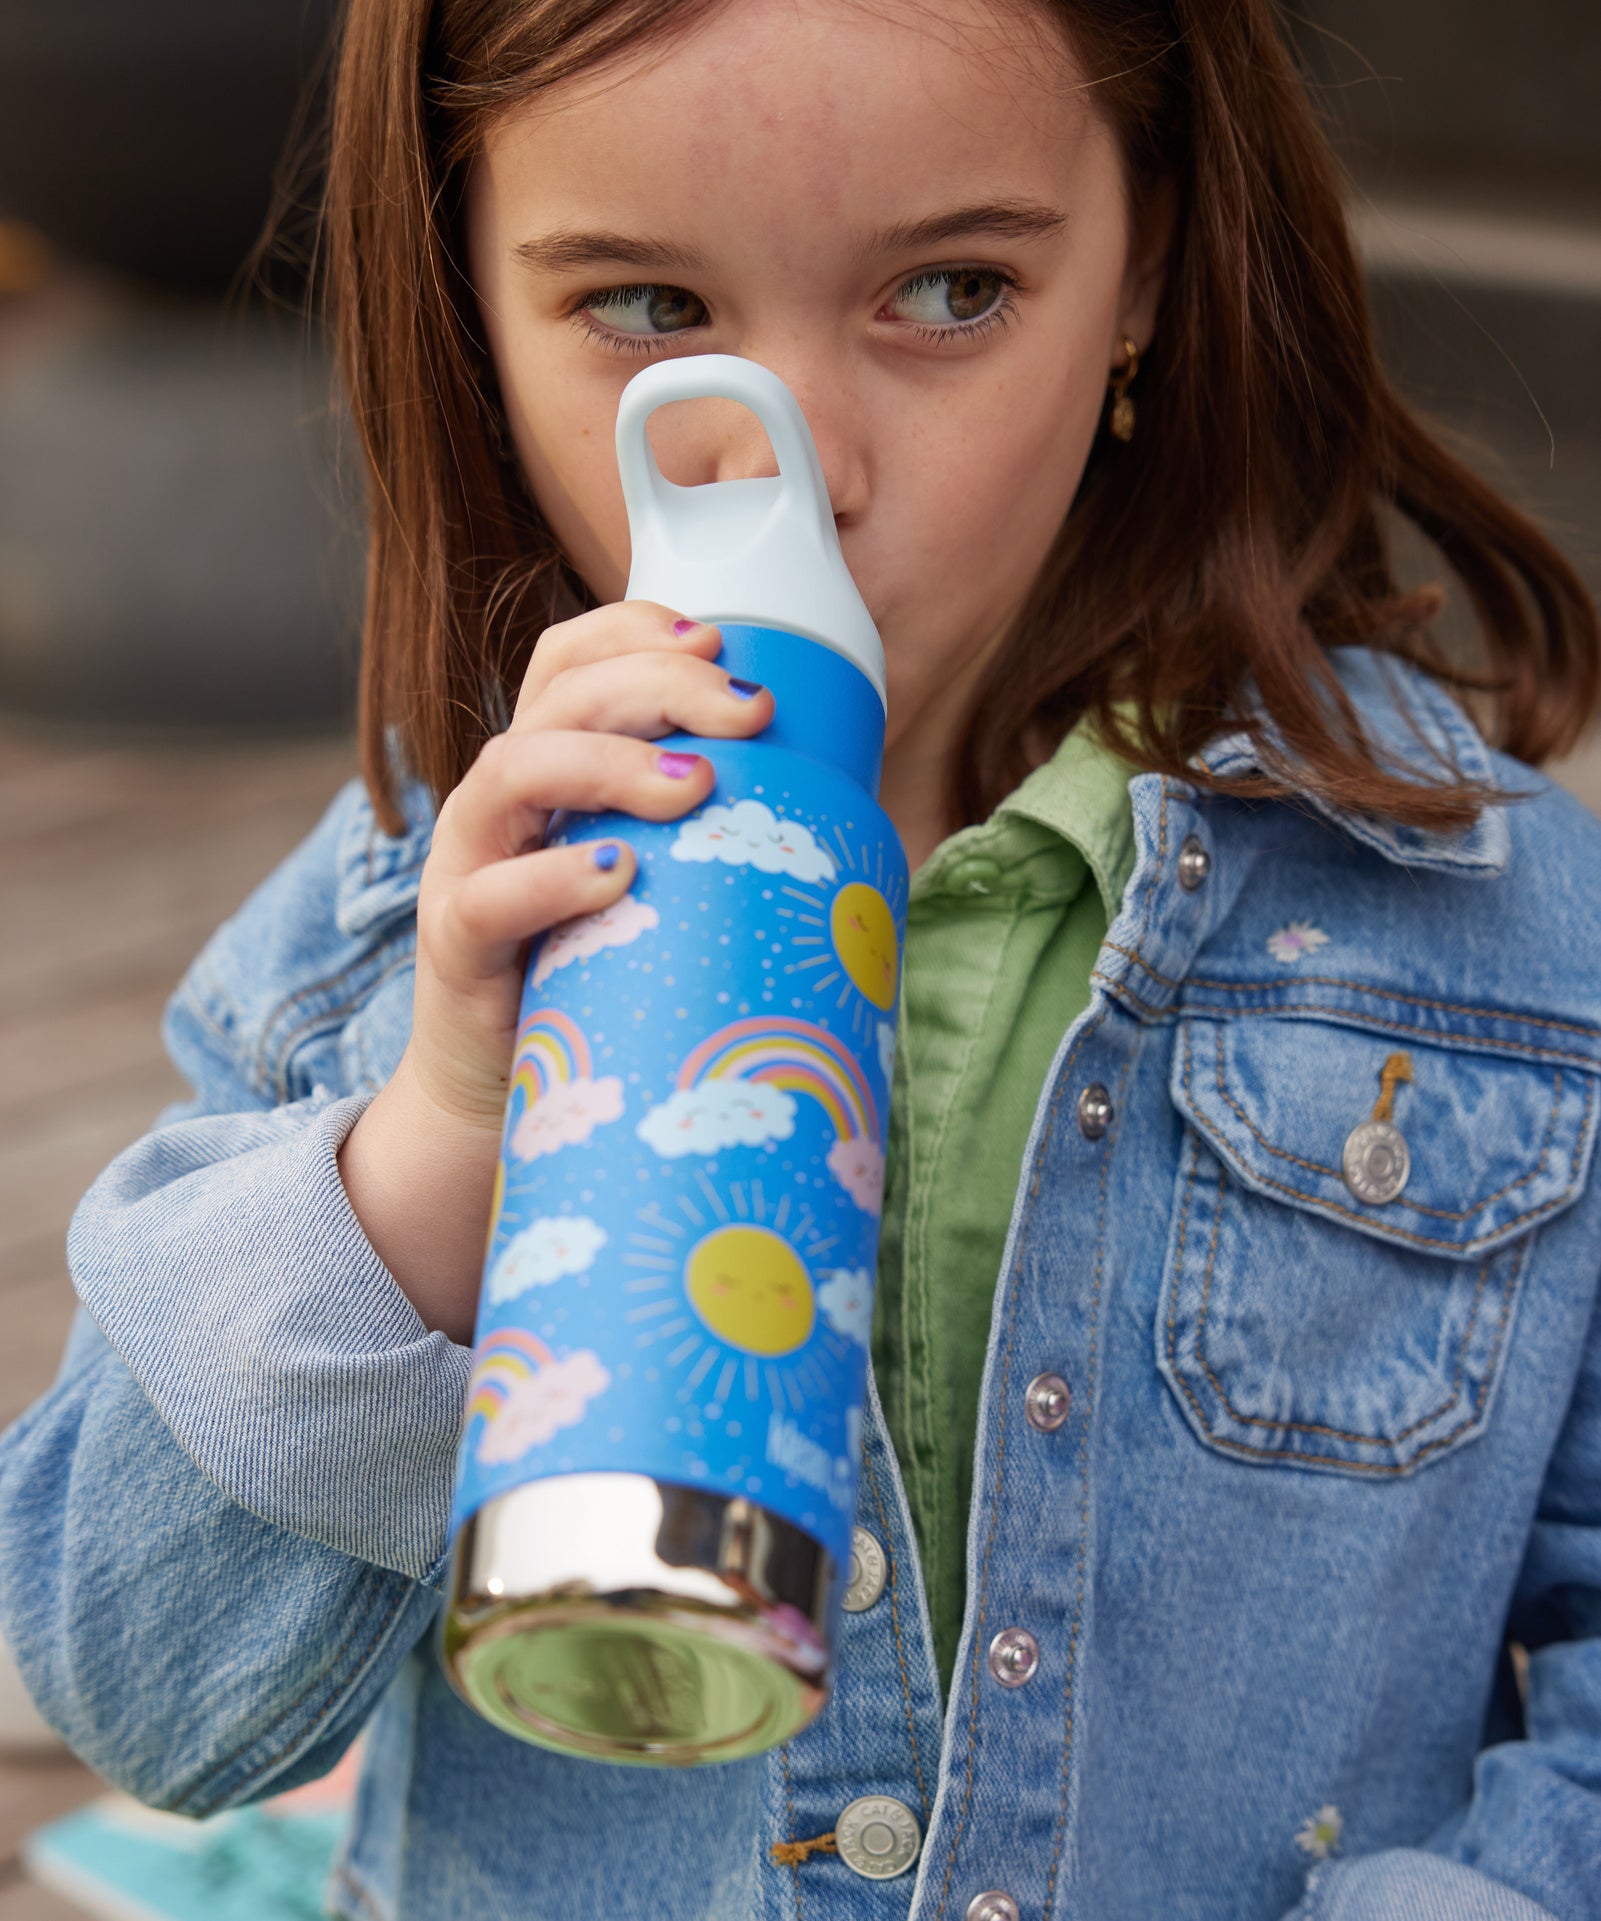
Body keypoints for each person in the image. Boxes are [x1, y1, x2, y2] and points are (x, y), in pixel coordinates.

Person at [3, 0, 1599, 1915]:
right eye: (646, 309)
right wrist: (430, 1151)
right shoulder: (394, 943)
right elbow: (133, 1685)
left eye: (949, 289)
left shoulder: (1490, 927)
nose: (808, 466)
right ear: (464, 302)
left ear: (1146, 269)